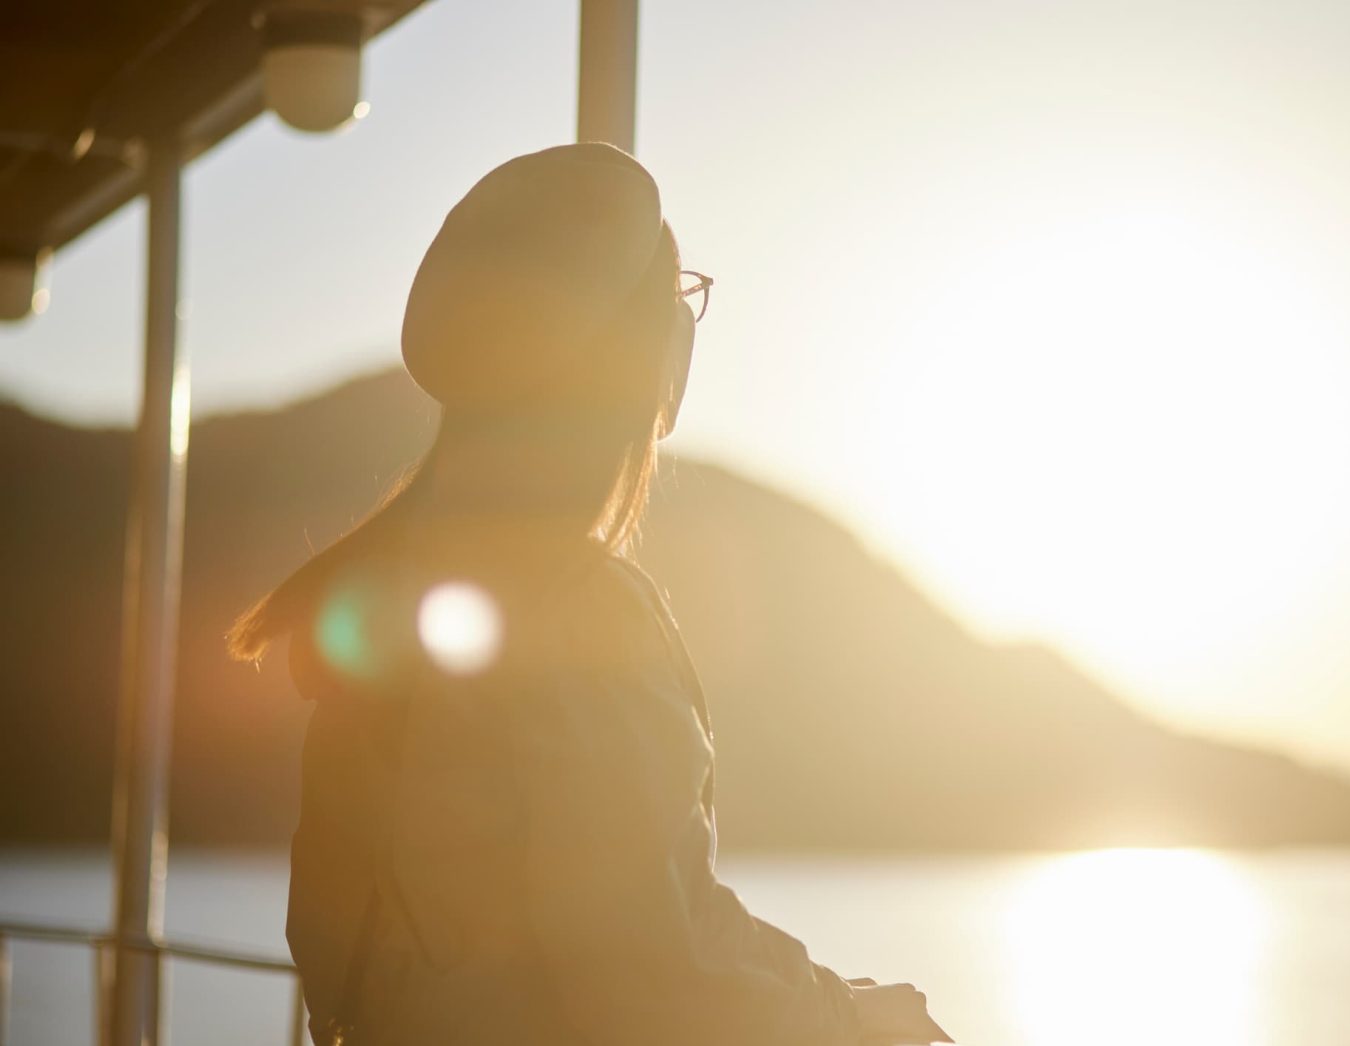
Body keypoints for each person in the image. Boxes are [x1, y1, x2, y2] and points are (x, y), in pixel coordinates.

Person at [227, 142, 950, 1045]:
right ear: (643, 358)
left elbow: (332, 941)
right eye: (679, 296)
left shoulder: (381, 604)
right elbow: (659, 967)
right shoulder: (579, 614)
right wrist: (851, 1017)